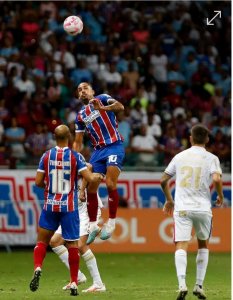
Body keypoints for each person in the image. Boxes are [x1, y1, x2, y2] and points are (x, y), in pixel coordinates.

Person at [29, 125, 103, 296]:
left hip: (50, 205)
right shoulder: (76, 156)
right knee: (72, 245)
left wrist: (48, 186)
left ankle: (38, 267)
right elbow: (90, 177)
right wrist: (98, 176)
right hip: (69, 207)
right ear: (69, 136)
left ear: (54, 137)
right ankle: (75, 282)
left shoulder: (46, 156)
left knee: (42, 241)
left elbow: (38, 182)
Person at [160, 124, 224, 300]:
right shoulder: (212, 158)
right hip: (203, 208)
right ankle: (199, 285)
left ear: (190, 138)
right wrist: (220, 195)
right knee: (203, 245)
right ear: (207, 140)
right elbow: (217, 178)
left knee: (181, 245)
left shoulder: (179, 157)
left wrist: (169, 200)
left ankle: (182, 285)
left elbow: (163, 179)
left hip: (182, 208)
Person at [73, 82, 125, 244]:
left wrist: (101, 108)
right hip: (98, 152)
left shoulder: (102, 98)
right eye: (79, 90)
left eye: (85, 88)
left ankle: (111, 222)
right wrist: (74, 155)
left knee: (110, 183)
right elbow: (78, 141)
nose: (82, 91)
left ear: (93, 91)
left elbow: (120, 107)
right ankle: (93, 225)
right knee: (91, 185)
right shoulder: (80, 115)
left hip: (114, 146)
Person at [50, 181, 106, 293]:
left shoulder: (83, 170)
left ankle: (98, 283)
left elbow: (90, 174)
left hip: (86, 212)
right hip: (72, 212)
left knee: (80, 245)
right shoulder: (62, 175)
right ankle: (78, 276)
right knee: (55, 241)